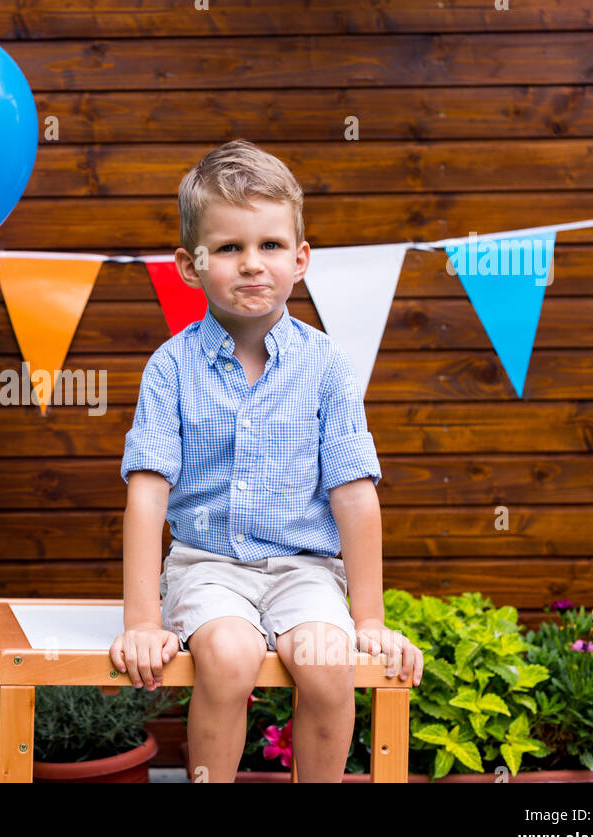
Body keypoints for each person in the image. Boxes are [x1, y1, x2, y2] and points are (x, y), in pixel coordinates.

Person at [109, 139, 423, 782]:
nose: (252, 265)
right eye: (229, 248)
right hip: (209, 568)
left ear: (300, 258)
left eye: (270, 246)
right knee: (227, 654)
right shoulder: (170, 368)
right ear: (190, 266)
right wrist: (142, 621)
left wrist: (369, 620)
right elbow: (147, 495)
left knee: (328, 661)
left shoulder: (327, 366)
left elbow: (355, 494)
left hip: (306, 570)